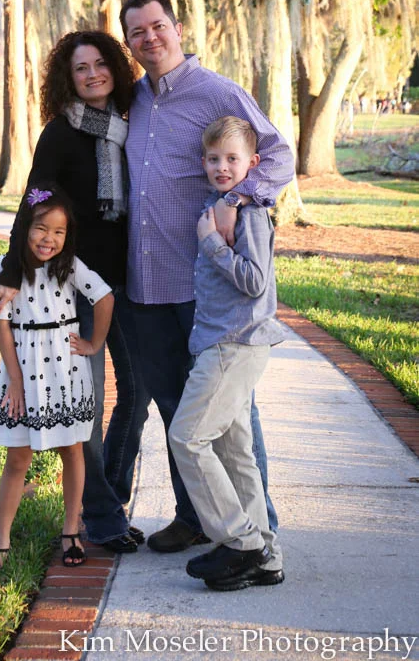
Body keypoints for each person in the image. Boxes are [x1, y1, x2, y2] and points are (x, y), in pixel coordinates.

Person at [120, 0, 296, 553]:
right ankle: (197, 516)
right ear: (129, 43)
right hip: (146, 285)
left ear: (177, 28)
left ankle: (258, 530)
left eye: (158, 26)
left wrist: (238, 199)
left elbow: (278, 155)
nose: (150, 37)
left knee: (232, 415)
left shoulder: (218, 92)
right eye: (137, 32)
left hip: (205, 287)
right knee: (176, 407)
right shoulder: (133, 100)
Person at [0, 31, 150, 554]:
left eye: (100, 64)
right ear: (68, 78)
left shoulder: (131, 127)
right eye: (81, 68)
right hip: (78, 286)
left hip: (128, 281)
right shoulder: (60, 134)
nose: (92, 74)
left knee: (138, 394)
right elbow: (35, 197)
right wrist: (12, 266)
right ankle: (101, 517)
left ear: (115, 70)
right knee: (89, 405)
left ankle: (108, 497)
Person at [169, 117, 288, 590]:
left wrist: (213, 245)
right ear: (203, 162)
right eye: (214, 159)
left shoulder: (250, 214)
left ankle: (241, 543)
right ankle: (265, 555)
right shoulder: (220, 206)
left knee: (187, 437)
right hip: (222, 342)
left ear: (252, 163)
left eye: (232, 159)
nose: (222, 167)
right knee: (234, 450)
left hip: (234, 343)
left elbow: (256, 282)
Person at [0, 184, 114, 571]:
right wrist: (15, 380)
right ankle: (2, 540)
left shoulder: (69, 266)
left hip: (64, 369)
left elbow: (104, 297)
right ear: (25, 226)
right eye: (42, 228)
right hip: (22, 369)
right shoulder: (6, 269)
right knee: (18, 456)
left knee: (72, 450)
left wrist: (94, 343)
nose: (49, 239)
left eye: (59, 232)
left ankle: (71, 530)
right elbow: (2, 325)